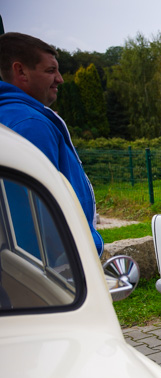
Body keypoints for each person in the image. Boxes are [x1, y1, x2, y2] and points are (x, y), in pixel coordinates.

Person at [0, 32, 103, 255]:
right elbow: (37, 211)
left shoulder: (11, 116)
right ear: (21, 71)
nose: (60, 79)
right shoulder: (30, 124)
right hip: (56, 263)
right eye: (50, 70)